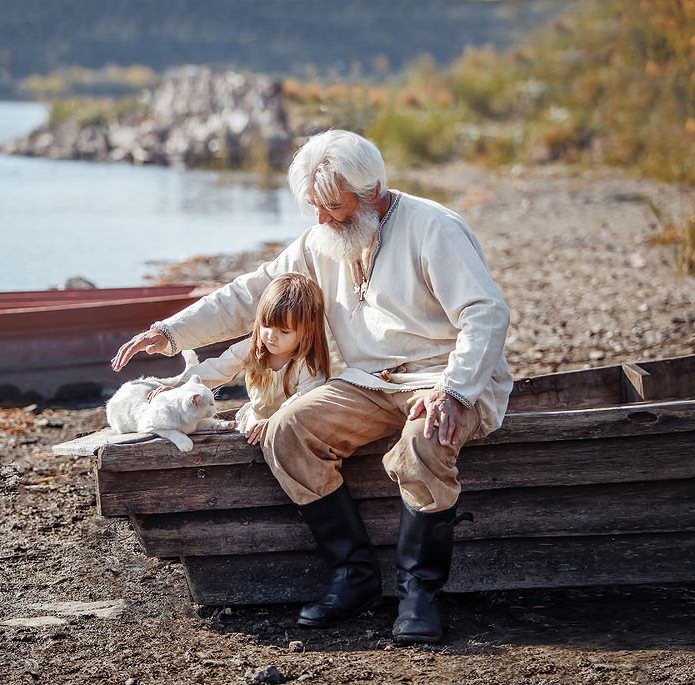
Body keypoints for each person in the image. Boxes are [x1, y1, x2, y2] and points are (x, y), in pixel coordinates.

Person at [111, 129, 512, 645]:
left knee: (425, 439)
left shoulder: (434, 228)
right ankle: (355, 575)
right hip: (368, 383)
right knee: (287, 429)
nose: (321, 219)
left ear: (372, 192)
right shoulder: (322, 239)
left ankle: (420, 594)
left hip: (447, 378)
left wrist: (455, 391)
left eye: (332, 206)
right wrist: (171, 331)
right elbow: (253, 294)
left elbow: (485, 314)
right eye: (314, 207)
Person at [147, 272, 331, 445]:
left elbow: (304, 402)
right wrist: (180, 387)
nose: (271, 336)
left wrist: (274, 421)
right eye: (266, 325)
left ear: (307, 329)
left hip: (290, 426)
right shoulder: (253, 348)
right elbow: (217, 369)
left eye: (284, 331)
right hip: (254, 423)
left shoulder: (307, 364)